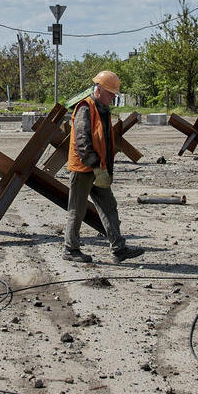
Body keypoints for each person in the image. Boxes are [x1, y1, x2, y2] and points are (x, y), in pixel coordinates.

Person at [62, 70, 144, 264]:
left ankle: (118, 248)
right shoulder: (85, 108)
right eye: (110, 93)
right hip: (83, 168)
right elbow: (82, 141)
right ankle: (70, 248)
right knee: (77, 209)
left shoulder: (102, 109)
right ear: (98, 89)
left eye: (114, 95)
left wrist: (103, 167)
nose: (112, 98)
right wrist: (95, 165)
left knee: (109, 207)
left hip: (99, 168)